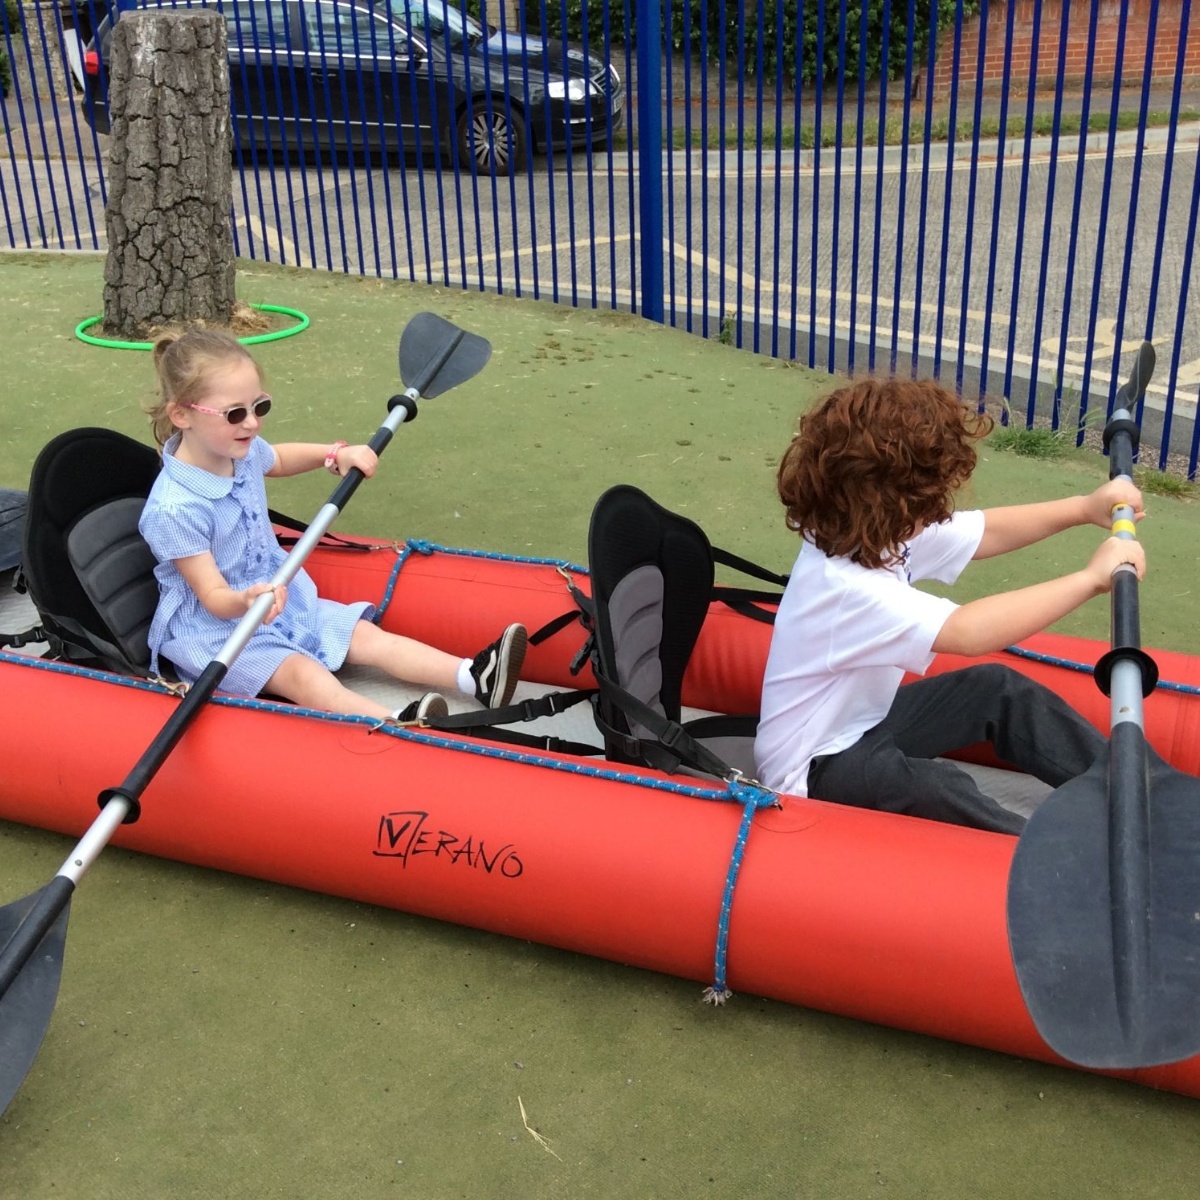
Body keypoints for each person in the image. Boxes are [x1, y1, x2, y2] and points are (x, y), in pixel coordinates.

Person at [753, 377, 1147, 834]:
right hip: (811, 774)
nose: (940, 509)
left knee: (994, 688)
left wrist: (1083, 508)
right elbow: (969, 631)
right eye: (931, 497)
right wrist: (1089, 580)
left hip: (861, 727)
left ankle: (1143, 798)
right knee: (932, 786)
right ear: (892, 502)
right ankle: (1049, 864)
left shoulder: (864, 532)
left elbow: (984, 532)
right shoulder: (844, 588)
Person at [138, 327, 526, 725]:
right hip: (219, 630)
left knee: (363, 635)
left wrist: (334, 454)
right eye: (235, 413)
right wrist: (247, 601)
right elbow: (213, 596)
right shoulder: (175, 509)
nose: (252, 424)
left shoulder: (239, 450)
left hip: (277, 597)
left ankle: (473, 676)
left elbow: (280, 459)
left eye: (260, 407)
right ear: (181, 414)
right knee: (302, 674)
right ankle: (398, 722)